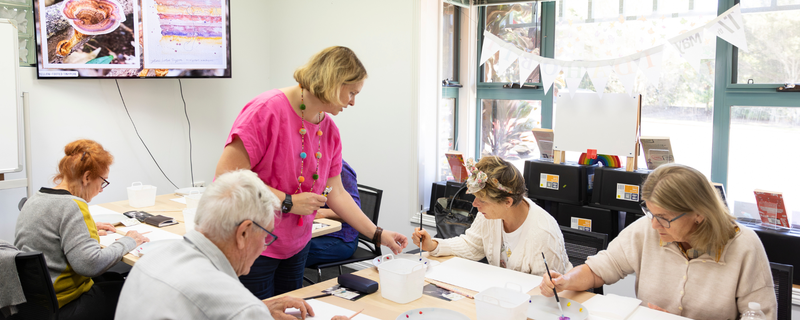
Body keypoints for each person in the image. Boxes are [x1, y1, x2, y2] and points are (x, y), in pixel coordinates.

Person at [215, 46, 407, 299]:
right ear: (333, 82)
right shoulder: (266, 110)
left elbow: (337, 193)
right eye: (351, 92)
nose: (352, 102)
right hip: (254, 246)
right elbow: (226, 176)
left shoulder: (329, 129)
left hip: (296, 246)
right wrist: (287, 201)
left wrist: (378, 234)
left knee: (290, 313)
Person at [539, 163, 777, 320]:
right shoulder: (647, 229)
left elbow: (760, 316)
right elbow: (600, 268)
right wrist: (566, 280)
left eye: (663, 218)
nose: (654, 225)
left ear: (699, 213)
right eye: (650, 213)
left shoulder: (744, 245)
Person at [116, 170, 350, 320]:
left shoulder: (150, 260)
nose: (264, 247)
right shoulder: (238, 306)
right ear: (244, 232)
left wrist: (260, 308)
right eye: (266, 235)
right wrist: (252, 311)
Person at [14, 139, 149, 320]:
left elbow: (54, 232)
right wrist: (130, 240)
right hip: (63, 305)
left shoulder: (36, 198)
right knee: (130, 286)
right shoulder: (73, 205)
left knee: (112, 278)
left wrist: (88, 228)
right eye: (103, 182)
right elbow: (90, 265)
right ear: (86, 177)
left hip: (34, 303)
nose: (101, 189)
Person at [412, 156, 572, 275]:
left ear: (507, 202)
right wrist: (433, 246)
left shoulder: (543, 233)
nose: (474, 204)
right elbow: (472, 245)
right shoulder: (489, 215)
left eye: (482, 200)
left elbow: (547, 290)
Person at [305, 160, 361, 267]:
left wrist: (321, 213)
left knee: (292, 252)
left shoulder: (342, 169)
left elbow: (354, 211)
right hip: (314, 232)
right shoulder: (307, 165)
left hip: (340, 238)